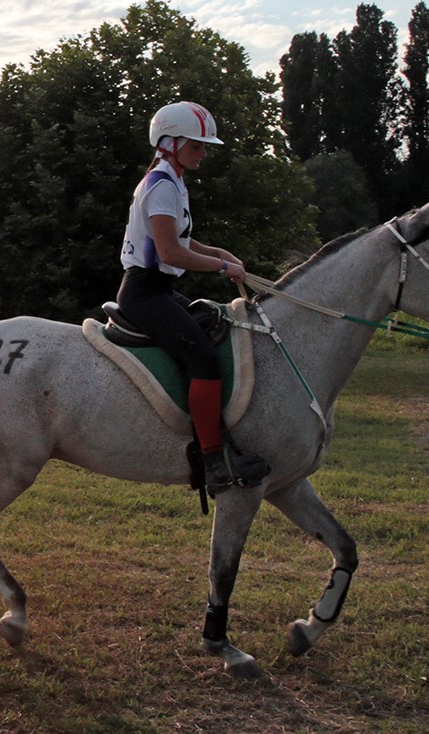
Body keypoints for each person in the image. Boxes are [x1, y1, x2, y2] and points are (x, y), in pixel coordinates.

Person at [116, 102, 270, 492]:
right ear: (171, 143)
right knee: (202, 357)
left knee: (214, 330)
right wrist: (222, 269)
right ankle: (213, 460)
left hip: (159, 288)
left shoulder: (170, 180)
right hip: (144, 292)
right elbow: (171, 254)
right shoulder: (163, 185)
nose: (203, 153)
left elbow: (180, 238)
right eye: (197, 146)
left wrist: (219, 252)